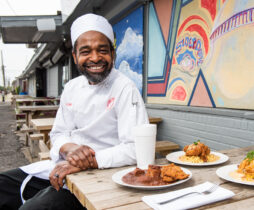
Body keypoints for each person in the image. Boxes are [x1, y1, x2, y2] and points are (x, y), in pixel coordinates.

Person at [0, 13, 149, 210]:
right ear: (75, 56)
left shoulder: (125, 88)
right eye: (86, 51)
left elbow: (134, 149)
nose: (95, 58)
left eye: (102, 50)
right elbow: (58, 133)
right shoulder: (71, 87)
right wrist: (70, 149)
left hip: (103, 175)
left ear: (113, 54)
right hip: (64, 166)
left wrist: (88, 161)